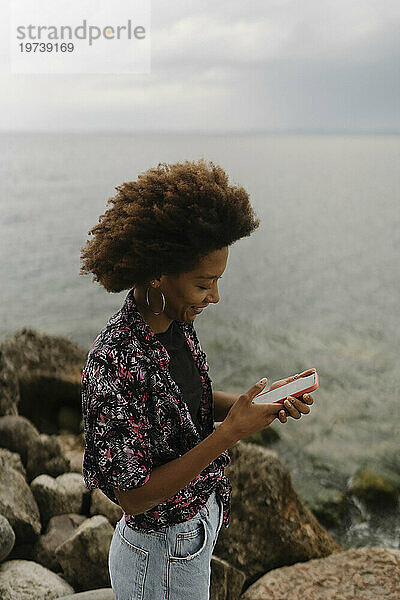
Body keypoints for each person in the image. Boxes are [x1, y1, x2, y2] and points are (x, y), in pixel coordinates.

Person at [79, 159, 314, 600]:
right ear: (158, 273)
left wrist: (254, 404)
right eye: (205, 283)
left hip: (189, 536)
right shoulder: (113, 361)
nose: (216, 296)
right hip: (160, 559)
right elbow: (134, 496)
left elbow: (185, 405)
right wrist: (228, 435)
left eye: (218, 280)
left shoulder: (173, 321)